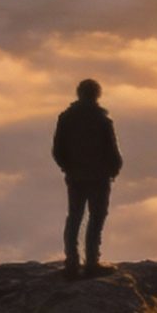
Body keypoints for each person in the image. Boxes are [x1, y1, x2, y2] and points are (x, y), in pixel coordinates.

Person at [51, 78, 123, 277]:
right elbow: (112, 149)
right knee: (96, 218)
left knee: (74, 217)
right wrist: (114, 169)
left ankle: (72, 263)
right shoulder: (102, 120)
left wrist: (68, 168)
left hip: (75, 176)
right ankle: (92, 263)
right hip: (99, 177)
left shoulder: (66, 118)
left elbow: (57, 150)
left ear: (78, 93)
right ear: (97, 95)